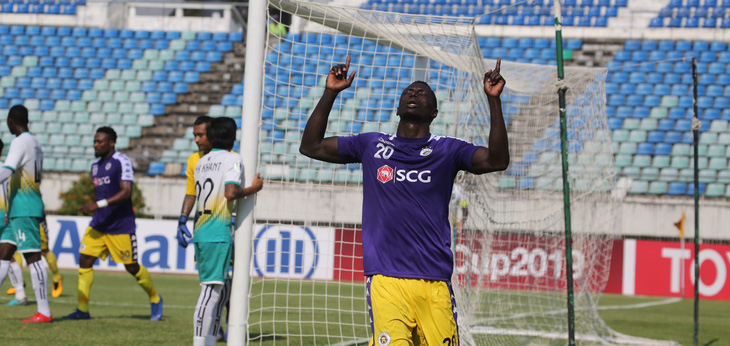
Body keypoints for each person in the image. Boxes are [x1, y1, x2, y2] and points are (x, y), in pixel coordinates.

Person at [299, 56, 509, 344]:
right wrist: (330, 92)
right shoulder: (371, 144)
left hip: (433, 279)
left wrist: (494, 101)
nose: (414, 93)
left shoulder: (448, 149)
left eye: (422, 92)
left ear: (434, 112)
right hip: (386, 279)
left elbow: (497, 160)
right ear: (397, 108)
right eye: (409, 91)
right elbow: (311, 146)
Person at [62, 126, 163, 321]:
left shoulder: (121, 161)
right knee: (85, 260)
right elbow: (103, 193)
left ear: (111, 143)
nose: (96, 145)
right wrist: (96, 207)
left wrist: (96, 204)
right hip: (99, 224)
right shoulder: (95, 166)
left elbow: (126, 192)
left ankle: (155, 298)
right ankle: (82, 310)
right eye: (94, 141)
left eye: (100, 141)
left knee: (131, 267)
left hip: (120, 226)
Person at [183, 117, 263, 346]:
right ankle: (199, 342)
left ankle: (209, 340)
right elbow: (230, 192)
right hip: (216, 231)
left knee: (223, 289)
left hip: (202, 228)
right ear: (233, 136)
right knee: (211, 291)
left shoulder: (202, 161)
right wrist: (252, 188)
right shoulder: (233, 159)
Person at [177, 115, 230, 341]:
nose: (197, 140)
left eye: (201, 135)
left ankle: (225, 326)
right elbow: (191, 192)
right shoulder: (194, 161)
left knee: (226, 284)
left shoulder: (227, 158)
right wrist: (182, 219)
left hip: (224, 228)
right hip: (212, 228)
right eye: (195, 135)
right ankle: (212, 332)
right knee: (216, 283)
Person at [0, 105, 52, 323]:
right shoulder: (35, 142)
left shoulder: (20, 141)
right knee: (3, 255)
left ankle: (44, 312)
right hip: (17, 208)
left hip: (25, 209)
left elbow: (7, 170)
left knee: (33, 258)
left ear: (12, 122)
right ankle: (42, 310)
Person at [6, 215, 64, 305]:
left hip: (35, 217)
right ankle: (19, 283)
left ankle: (57, 278)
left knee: (43, 251)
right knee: (15, 248)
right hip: (17, 218)